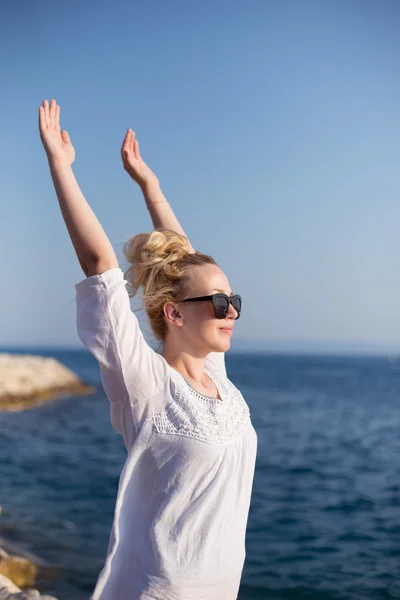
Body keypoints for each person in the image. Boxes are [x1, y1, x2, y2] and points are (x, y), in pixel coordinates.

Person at [39, 99, 258, 600]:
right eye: (221, 302)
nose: (232, 311)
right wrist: (59, 165)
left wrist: (150, 187)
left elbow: (187, 263)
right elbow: (99, 264)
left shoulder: (216, 376)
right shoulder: (147, 385)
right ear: (175, 315)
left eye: (235, 300)